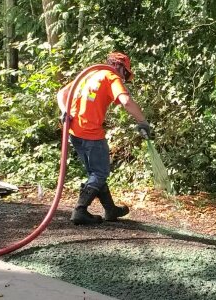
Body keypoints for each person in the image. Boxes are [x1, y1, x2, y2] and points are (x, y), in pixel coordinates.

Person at [57, 52, 150, 225]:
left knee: (95, 173)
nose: (124, 78)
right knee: (100, 173)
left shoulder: (90, 75)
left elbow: (62, 93)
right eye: (126, 73)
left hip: (75, 132)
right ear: (119, 67)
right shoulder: (110, 77)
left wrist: (65, 111)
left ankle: (110, 209)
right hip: (91, 133)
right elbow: (126, 101)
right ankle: (80, 210)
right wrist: (143, 122)